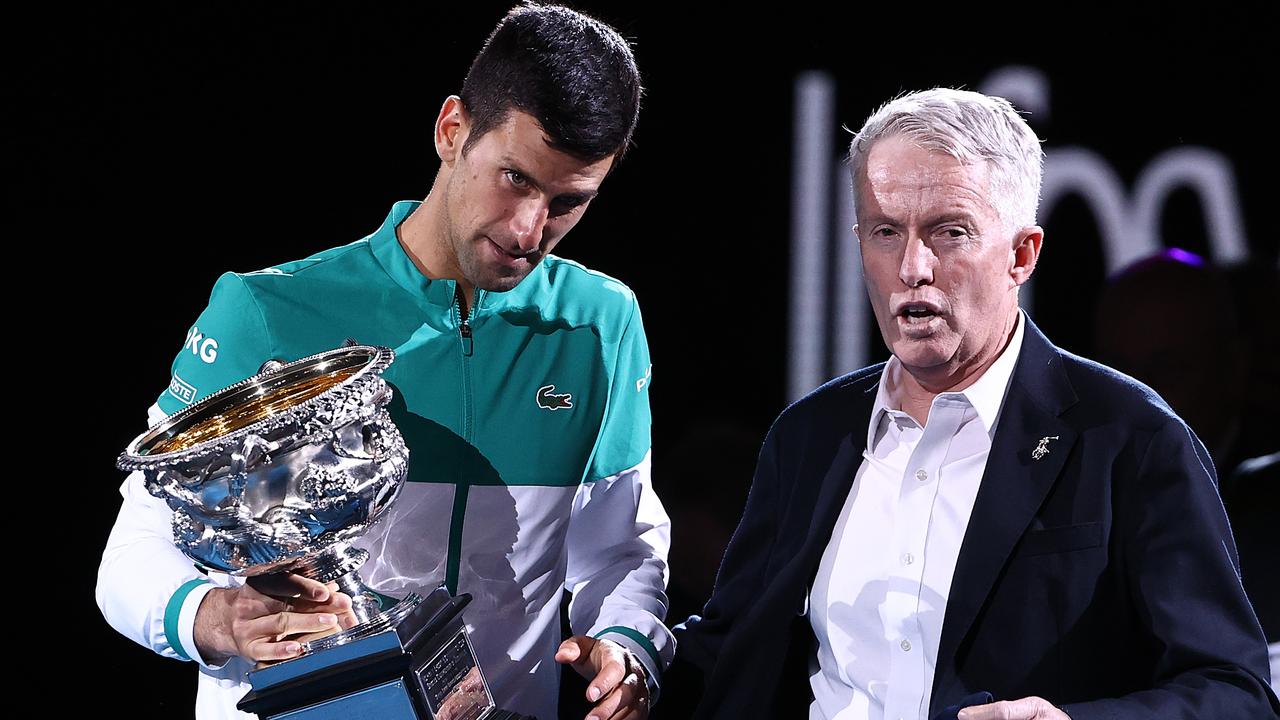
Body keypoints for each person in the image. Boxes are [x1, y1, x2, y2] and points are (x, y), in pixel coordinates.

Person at [97, 5, 670, 720]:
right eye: (516, 178)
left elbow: (619, 550)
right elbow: (134, 550)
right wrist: (209, 616)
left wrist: (627, 643)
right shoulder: (266, 312)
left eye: (568, 202)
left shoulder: (601, 324)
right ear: (452, 131)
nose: (530, 230)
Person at [668, 89, 1278, 719]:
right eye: (884, 233)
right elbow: (732, 652)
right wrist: (633, 667)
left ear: (1022, 254)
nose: (911, 267)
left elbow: (1235, 693)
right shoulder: (809, 435)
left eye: (949, 233)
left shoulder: (1130, 437)